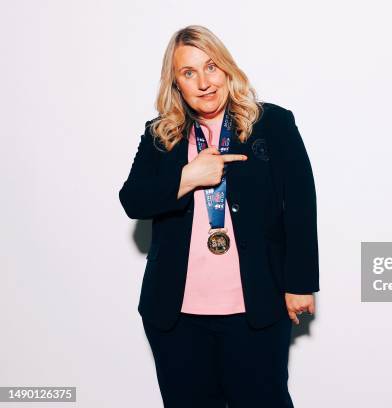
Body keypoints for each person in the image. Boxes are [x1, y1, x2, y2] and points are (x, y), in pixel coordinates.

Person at [118, 25, 319, 408]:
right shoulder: (161, 135)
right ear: (175, 83)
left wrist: (300, 282)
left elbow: (300, 207)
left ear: (227, 69)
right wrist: (187, 178)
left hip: (255, 309)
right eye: (188, 72)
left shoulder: (273, 124)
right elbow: (133, 200)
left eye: (211, 67)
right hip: (176, 317)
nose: (204, 82)